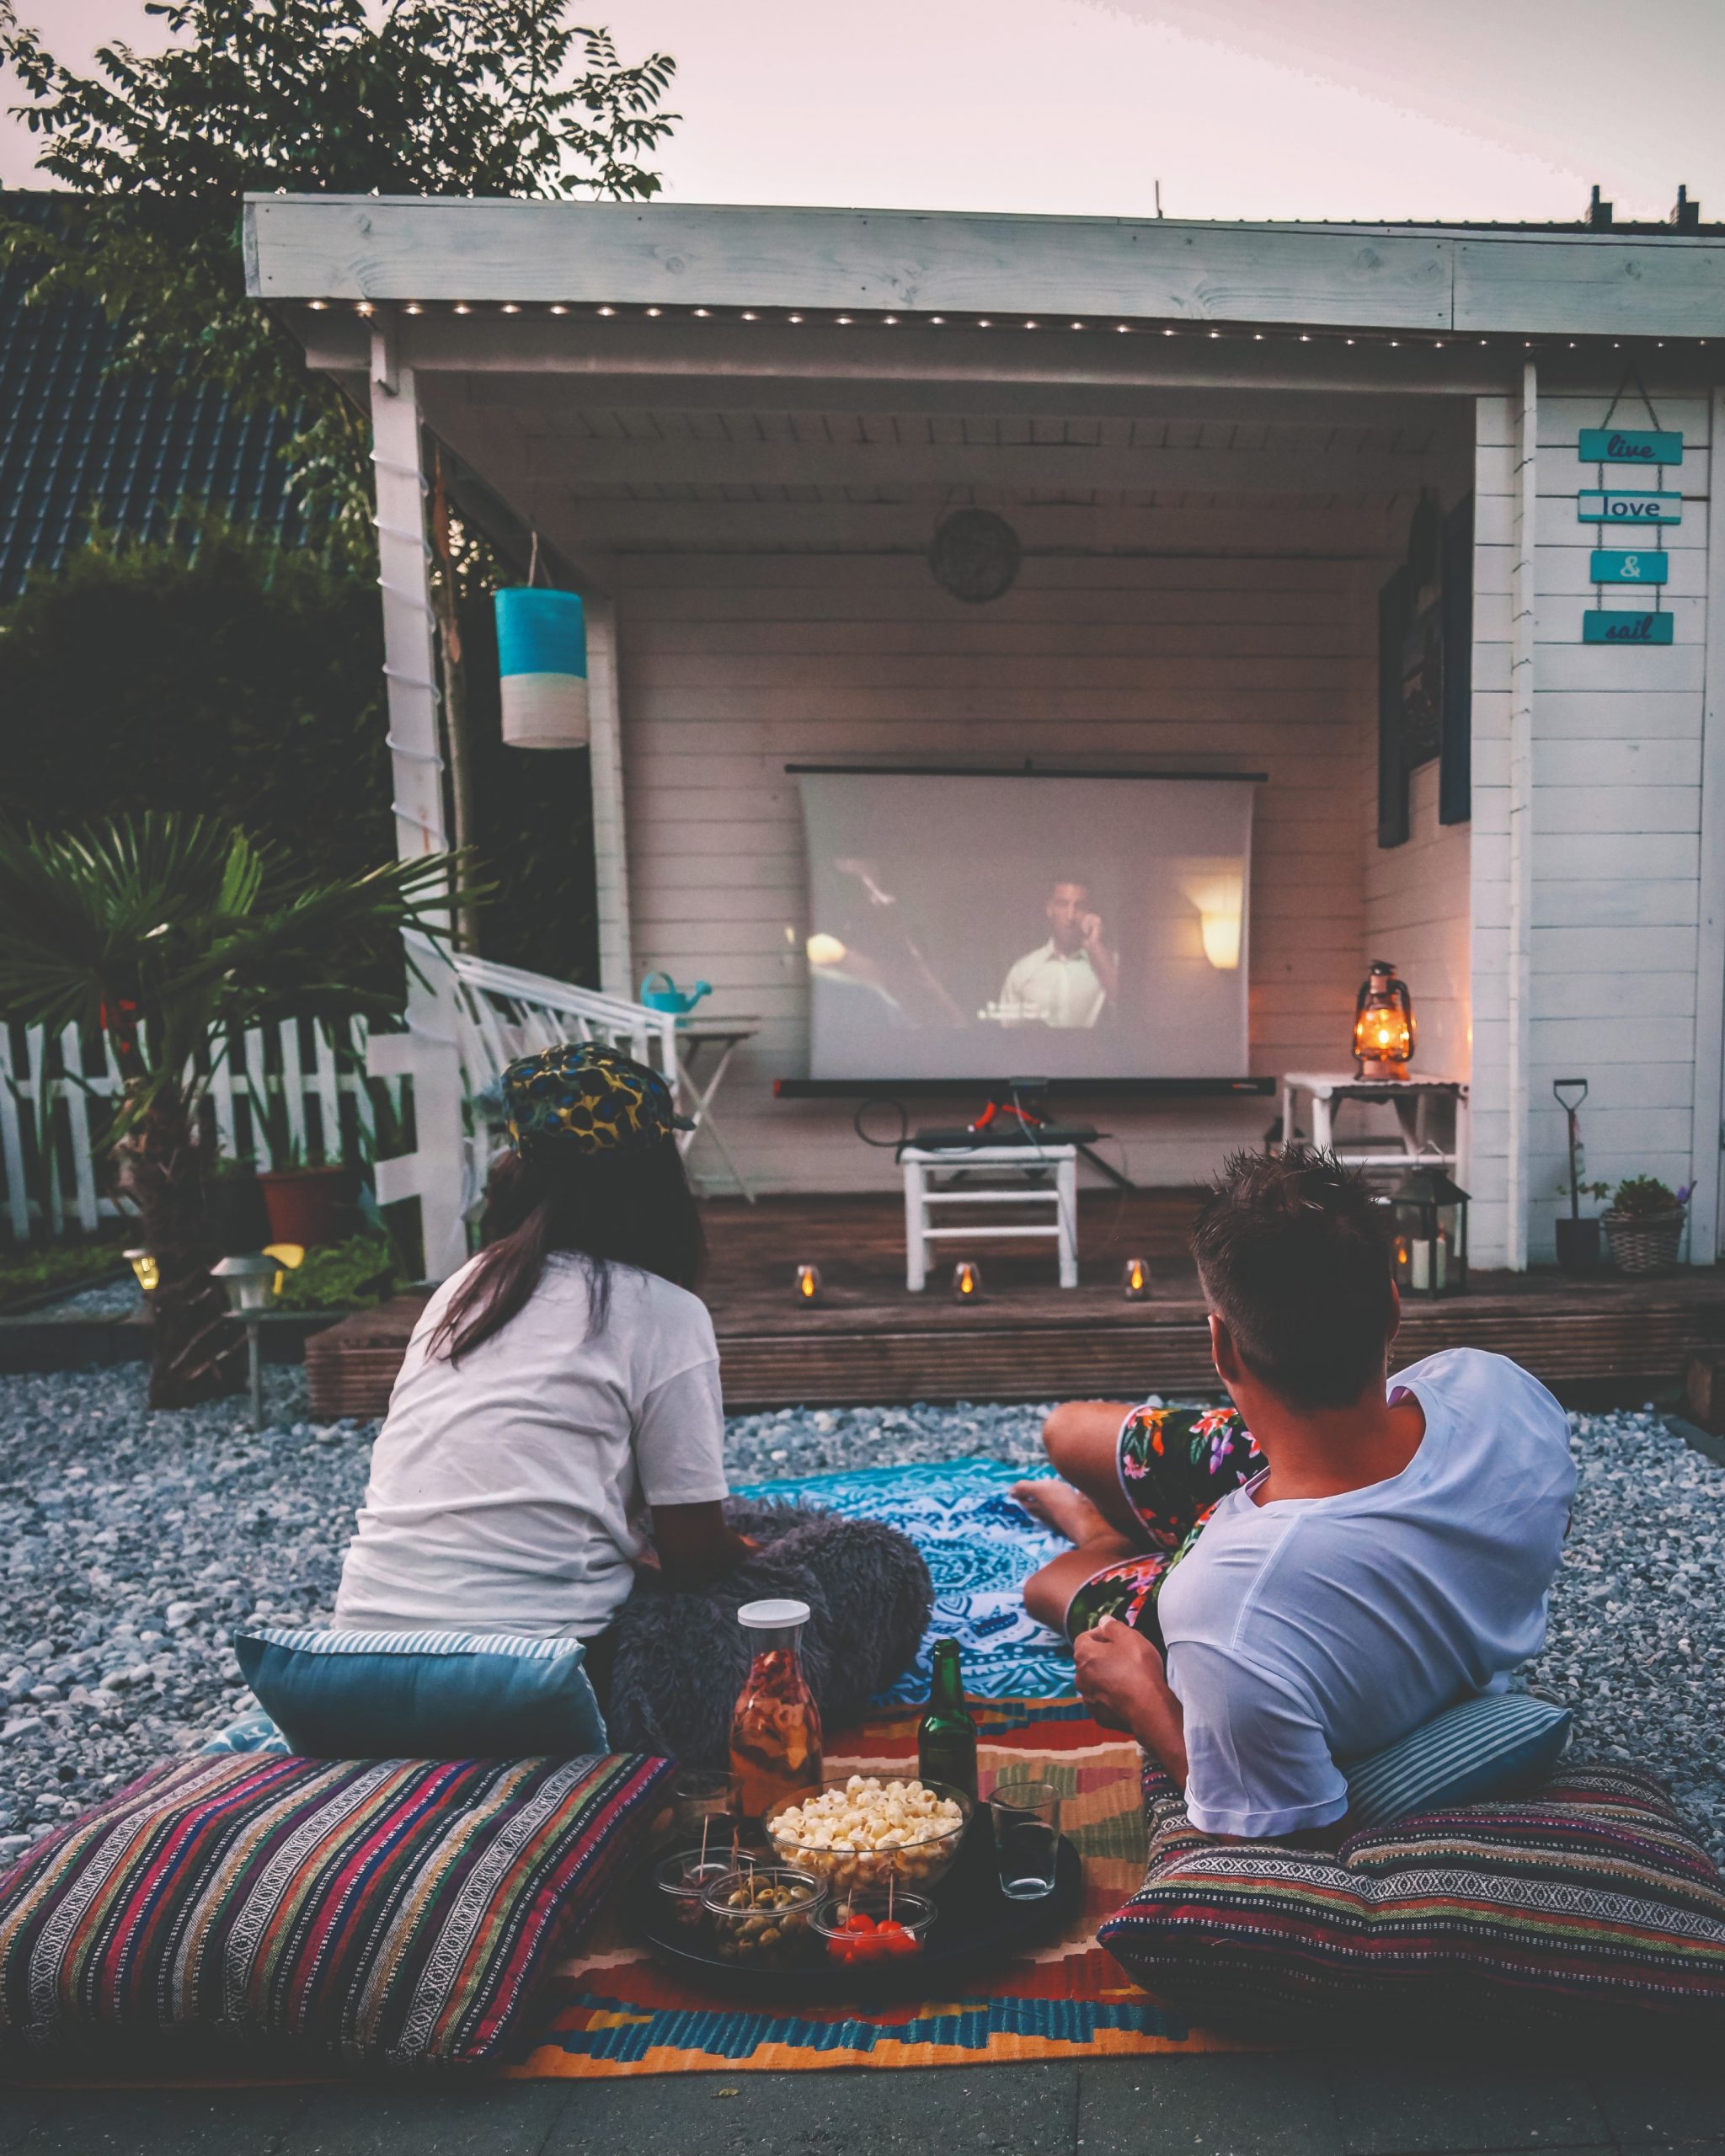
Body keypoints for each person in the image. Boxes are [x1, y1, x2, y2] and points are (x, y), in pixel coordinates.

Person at [331, 1040, 932, 1757]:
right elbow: (691, 1557)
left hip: (356, 1671)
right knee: (872, 1569)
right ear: (656, 1180)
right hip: (537, 1687)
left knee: (721, 1529)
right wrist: (740, 1549)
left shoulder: (461, 1292)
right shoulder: (662, 1311)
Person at [1013, 1147, 1575, 1840]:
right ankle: (1140, 1516)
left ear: (1222, 1349)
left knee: (1050, 1582)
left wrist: (1145, 1697)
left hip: (1275, 1540)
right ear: (1393, 1310)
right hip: (1294, 1465)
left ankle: (1102, 1535)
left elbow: (1277, 1828)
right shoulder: (1498, 1389)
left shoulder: (1227, 1615)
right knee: (1067, 1434)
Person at [997, 878, 1118, 1028]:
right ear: (1050, 909)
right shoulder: (1022, 970)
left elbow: (1131, 1007)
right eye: (1062, 904)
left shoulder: (1106, 963)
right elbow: (1007, 1032)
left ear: (1089, 913)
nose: (1070, 916)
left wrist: (1095, 945)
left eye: (1079, 907)